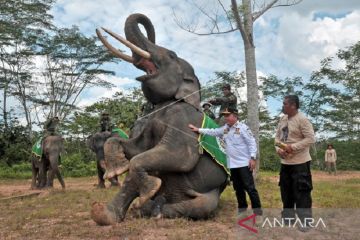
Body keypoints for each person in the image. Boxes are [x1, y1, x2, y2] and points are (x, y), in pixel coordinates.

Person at [188, 107, 263, 223]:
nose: (226, 117)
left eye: (228, 115)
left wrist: (253, 158)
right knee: (238, 189)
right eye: (225, 115)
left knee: (250, 188)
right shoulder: (225, 129)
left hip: (244, 163)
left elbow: (252, 143)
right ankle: (242, 210)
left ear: (235, 116)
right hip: (232, 165)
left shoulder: (243, 128)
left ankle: (258, 213)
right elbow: (213, 131)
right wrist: (198, 129)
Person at [275, 95, 316, 232]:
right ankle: (288, 218)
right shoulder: (283, 119)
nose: (282, 105)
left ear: (293, 105)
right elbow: (277, 138)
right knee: (286, 191)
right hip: (285, 163)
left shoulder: (302, 120)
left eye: (284, 103)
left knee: (302, 192)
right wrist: (279, 150)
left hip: (300, 163)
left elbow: (310, 139)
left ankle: (306, 222)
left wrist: (293, 147)